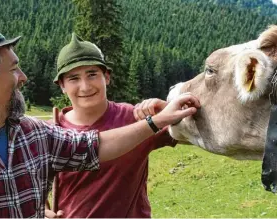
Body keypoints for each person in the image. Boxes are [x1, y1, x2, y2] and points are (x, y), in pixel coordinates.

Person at [0, 22, 200, 218]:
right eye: (14, 68)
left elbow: (95, 146)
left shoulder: (33, 133)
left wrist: (156, 121)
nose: (24, 77)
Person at [44, 33, 195, 218]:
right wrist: (42, 209)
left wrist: (166, 111)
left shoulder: (135, 118)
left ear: (106, 77)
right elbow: (32, 182)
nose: (85, 86)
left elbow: (192, 135)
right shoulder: (52, 132)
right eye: (74, 78)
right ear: (62, 85)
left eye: (92, 74)